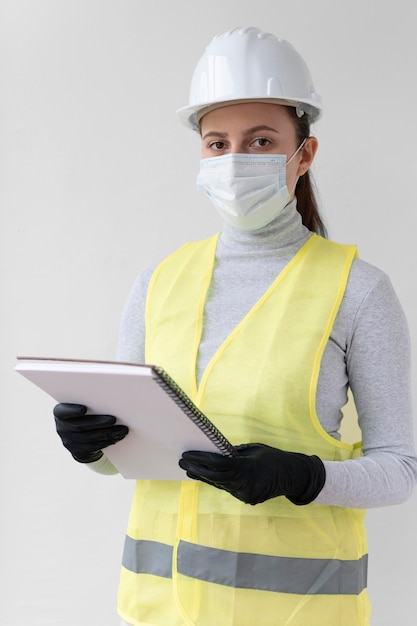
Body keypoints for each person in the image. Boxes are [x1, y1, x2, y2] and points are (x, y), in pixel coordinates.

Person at [54, 27, 417, 626]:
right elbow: (132, 453)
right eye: (217, 143)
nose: (235, 159)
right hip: (161, 610)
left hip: (296, 611)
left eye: (261, 140)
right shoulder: (158, 282)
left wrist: (300, 475)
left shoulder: (358, 289)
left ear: (305, 153)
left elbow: (399, 470)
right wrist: (93, 447)